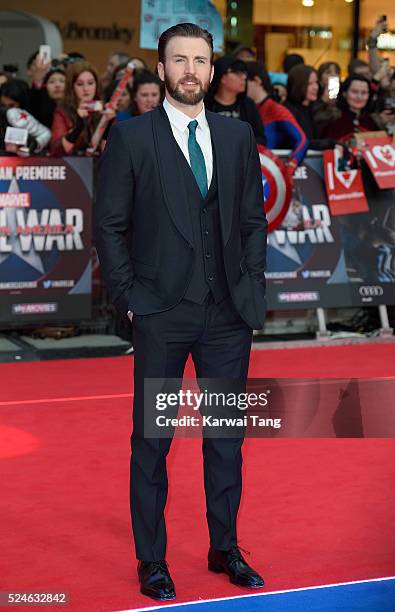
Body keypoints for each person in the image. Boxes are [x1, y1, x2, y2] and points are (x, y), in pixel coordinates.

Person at [94, 22, 267, 602]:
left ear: (212, 71)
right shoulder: (131, 137)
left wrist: (251, 286)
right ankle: (152, 559)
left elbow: (250, 222)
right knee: (153, 442)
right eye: (179, 60)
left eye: (200, 60)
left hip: (227, 318)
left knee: (226, 439)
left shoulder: (237, 137)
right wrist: (130, 299)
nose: (191, 70)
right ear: (162, 69)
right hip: (161, 315)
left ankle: (225, 547)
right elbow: (110, 227)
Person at [246, 61, 308, 171]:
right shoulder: (247, 108)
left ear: (257, 81)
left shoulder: (275, 109)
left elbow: (302, 140)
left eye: (245, 80)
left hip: (268, 174)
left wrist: (290, 167)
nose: (241, 83)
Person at [49, 61, 113, 156]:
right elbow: (57, 152)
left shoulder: (104, 110)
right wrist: (78, 127)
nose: (86, 89)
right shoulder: (62, 111)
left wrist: (108, 125)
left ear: (96, 85)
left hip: (100, 166)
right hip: (73, 167)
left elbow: (111, 153)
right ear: (72, 88)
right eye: (80, 84)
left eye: (90, 83)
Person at [205, 55, 265, 144]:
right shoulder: (204, 105)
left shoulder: (248, 105)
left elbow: (260, 138)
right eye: (238, 73)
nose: (244, 77)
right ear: (222, 77)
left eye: (244, 73)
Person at [285, 64, 336, 150]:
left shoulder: (312, 108)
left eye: (316, 82)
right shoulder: (288, 110)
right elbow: (299, 142)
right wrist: (330, 143)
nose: (315, 87)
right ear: (298, 85)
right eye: (309, 84)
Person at [323, 74, 380, 143]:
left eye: (364, 93)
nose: (359, 97)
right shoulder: (332, 119)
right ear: (344, 93)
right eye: (354, 92)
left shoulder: (373, 121)